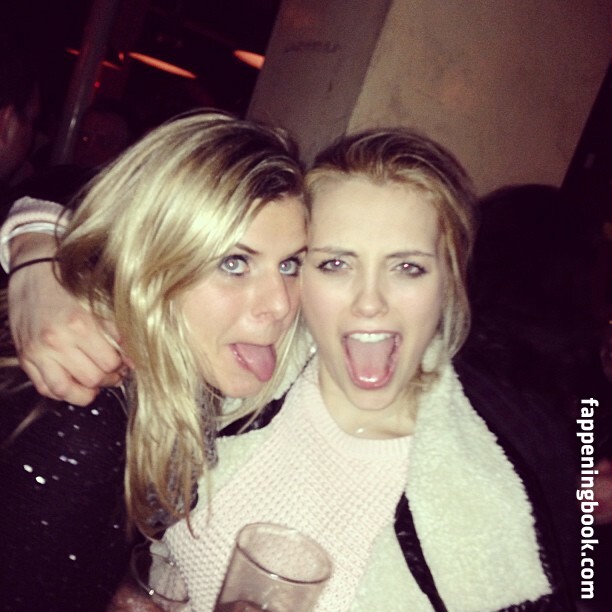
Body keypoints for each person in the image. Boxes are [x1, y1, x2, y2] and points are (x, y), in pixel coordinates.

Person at [140, 128, 578, 610]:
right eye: (335, 264)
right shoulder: (228, 381)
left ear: (449, 281)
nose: (370, 302)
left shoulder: (507, 481)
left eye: (407, 267)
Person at [0, 109, 307, 611]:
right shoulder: (82, 419)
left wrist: (114, 588)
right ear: (150, 262)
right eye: (234, 262)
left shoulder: (184, 377)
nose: (279, 304)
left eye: (290, 263)